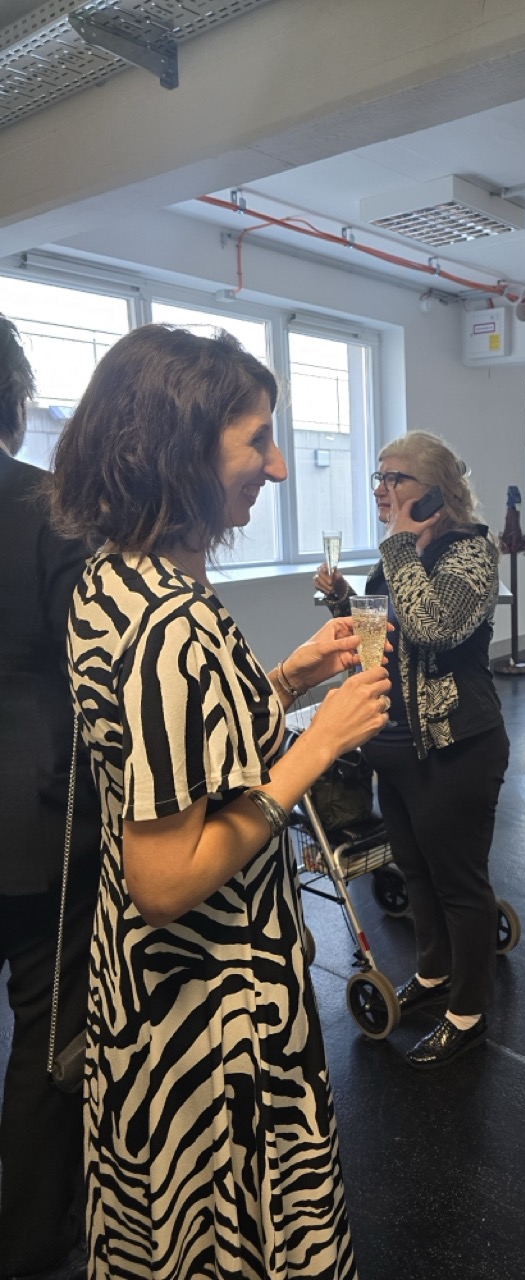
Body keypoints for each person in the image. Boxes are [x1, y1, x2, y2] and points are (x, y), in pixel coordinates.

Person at [48, 324, 391, 1280]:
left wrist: (286, 679)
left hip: (143, 989)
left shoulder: (114, 579)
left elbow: (180, 751)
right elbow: (165, 879)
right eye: (257, 441)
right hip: (208, 1005)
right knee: (237, 1236)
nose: (277, 467)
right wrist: (317, 746)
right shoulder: (173, 622)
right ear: (182, 451)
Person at [315, 431, 509, 1069]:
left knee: (459, 882)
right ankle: (433, 974)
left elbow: (433, 625)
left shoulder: (470, 552)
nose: (381, 488)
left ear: (434, 491)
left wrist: (399, 545)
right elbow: (385, 635)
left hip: (456, 748)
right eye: (379, 477)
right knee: (416, 871)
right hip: (394, 748)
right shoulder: (394, 557)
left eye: (393, 477)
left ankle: (468, 1013)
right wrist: (344, 601)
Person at [0, 315, 98, 1280]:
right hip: (36, 818)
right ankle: (30, 1244)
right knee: (46, 1037)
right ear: (18, 404)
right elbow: (94, 671)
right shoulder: (49, 508)